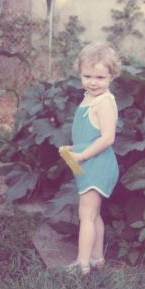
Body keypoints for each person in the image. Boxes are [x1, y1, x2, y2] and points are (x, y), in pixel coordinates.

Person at [60, 41, 121, 276]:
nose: (93, 82)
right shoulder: (90, 98)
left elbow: (107, 138)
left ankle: (81, 264)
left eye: (100, 77)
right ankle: (97, 258)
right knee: (93, 214)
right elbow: (91, 134)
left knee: (86, 215)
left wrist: (82, 154)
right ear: (80, 73)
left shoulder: (104, 102)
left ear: (111, 77)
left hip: (97, 164)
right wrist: (74, 148)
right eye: (87, 76)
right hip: (89, 161)